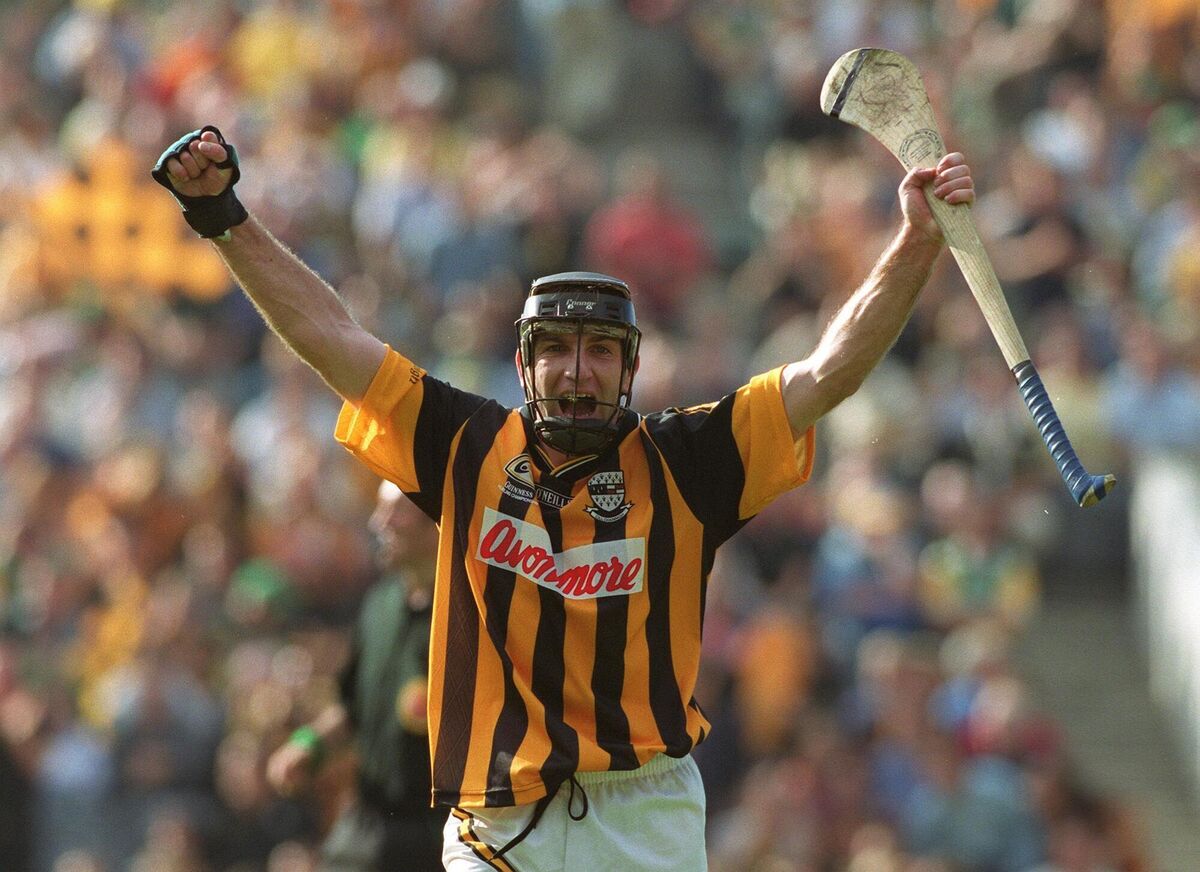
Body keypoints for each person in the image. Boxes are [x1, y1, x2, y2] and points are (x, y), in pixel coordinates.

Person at [152, 124, 973, 871]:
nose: (577, 372)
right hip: (499, 815)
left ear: (631, 367)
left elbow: (827, 372)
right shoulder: (466, 446)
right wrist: (223, 216)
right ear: (524, 365)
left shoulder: (689, 459)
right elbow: (331, 337)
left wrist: (914, 242)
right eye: (556, 352)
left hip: (645, 810)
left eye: (599, 352)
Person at [266, 480, 444, 871]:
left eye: (395, 510)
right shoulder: (380, 603)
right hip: (368, 823)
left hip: (437, 833)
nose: (379, 522)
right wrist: (307, 744)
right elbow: (352, 707)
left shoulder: (467, 615)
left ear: (435, 521)